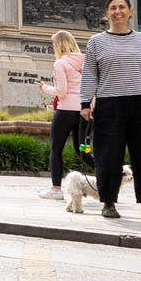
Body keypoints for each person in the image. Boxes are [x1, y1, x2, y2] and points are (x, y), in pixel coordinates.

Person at [80, 0, 141, 220]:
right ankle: (108, 202)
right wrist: (85, 101)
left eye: (122, 7)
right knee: (108, 156)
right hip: (110, 105)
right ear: (106, 13)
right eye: (112, 8)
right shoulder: (96, 42)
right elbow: (90, 73)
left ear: (130, 12)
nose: (117, 11)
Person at [37, 30, 93, 200]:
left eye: (54, 45)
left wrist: (44, 88)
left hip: (65, 112)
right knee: (83, 150)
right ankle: (109, 178)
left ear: (58, 45)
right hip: (83, 112)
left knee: (56, 149)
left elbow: (61, 92)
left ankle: (56, 189)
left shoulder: (60, 63)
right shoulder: (85, 61)